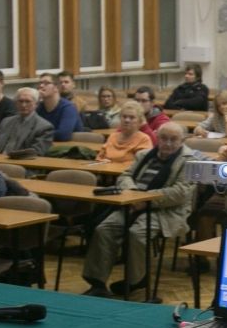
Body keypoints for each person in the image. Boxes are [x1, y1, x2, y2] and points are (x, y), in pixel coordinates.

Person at [82, 122, 194, 297]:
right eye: (164, 138)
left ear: (182, 140)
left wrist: (145, 199)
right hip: (134, 204)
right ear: (157, 137)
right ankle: (97, 282)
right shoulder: (144, 155)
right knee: (104, 229)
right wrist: (133, 193)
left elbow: (181, 192)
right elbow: (125, 176)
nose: (168, 143)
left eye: (173, 139)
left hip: (166, 210)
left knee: (137, 233)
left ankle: (137, 279)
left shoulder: (190, 161)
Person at [0, 87, 55, 157]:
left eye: (27, 101)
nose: (23, 105)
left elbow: (36, 153)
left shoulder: (44, 127)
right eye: (20, 101)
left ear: (36, 104)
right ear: (16, 103)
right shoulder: (6, 122)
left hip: (22, 161)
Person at [96, 100, 155, 169]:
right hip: (105, 172)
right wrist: (103, 162)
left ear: (139, 121)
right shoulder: (113, 136)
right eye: (124, 117)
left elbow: (141, 164)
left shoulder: (144, 139)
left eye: (132, 117)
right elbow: (100, 157)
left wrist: (112, 164)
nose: (127, 120)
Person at [34, 71, 82, 141]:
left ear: (56, 87)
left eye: (46, 83)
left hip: (72, 146)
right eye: (40, 83)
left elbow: (63, 135)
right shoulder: (39, 107)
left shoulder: (68, 108)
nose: (41, 86)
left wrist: (38, 134)